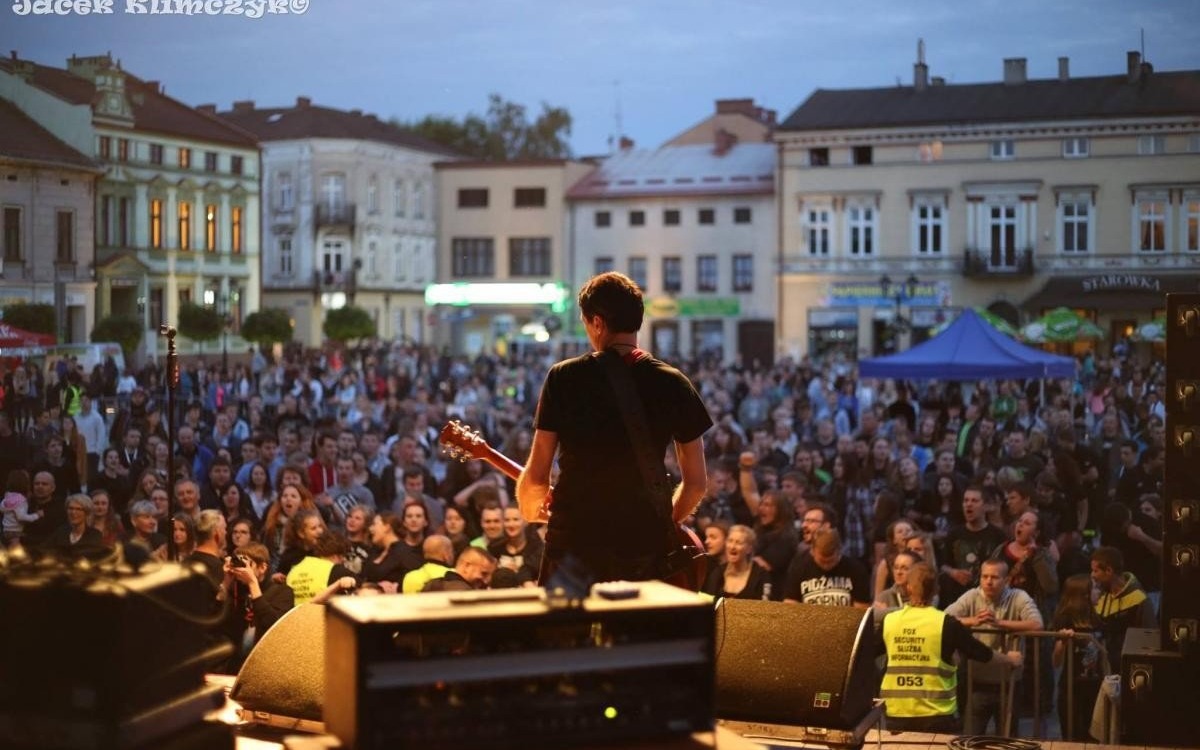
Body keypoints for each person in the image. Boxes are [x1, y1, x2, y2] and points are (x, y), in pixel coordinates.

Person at [516, 271, 711, 587]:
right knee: (637, 637)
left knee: (564, 636)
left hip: (573, 547)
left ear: (596, 322)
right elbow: (696, 484)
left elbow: (537, 477)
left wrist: (532, 508)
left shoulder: (563, 378)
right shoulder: (674, 382)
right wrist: (662, 523)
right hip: (642, 550)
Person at [879, 562, 1023, 733]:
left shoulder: (890, 621)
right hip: (935, 714)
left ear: (908, 588)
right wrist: (1009, 659)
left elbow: (867, 653)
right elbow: (979, 652)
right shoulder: (945, 623)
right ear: (936, 590)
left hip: (896, 712)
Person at [944, 558, 1043, 734]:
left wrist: (999, 623)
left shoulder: (1018, 596)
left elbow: (1037, 624)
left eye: (995, 577)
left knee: (1007, 737)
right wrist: (972, 621)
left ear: (1006, 580)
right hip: (977, 681)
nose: (988, 581)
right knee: (971, 737)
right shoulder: (972, 595)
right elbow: (945, 619)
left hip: (1009, 681)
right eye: (985, 576)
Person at [1051, 573, 1106, 741]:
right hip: (1072, 686)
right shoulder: (1066, 618)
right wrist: (1063, 641)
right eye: (1095, 588)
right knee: (1073, 734)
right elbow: (1056, 661)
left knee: (1094, 736)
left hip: (1096, 685)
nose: (1099, 592)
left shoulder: (1097, 617)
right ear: (1084, 594)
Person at [223, 541, 294, 670]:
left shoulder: (283, 591)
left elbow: (273, 624)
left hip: (266, 665)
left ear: (262, 568)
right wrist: (226, 582)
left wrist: (252, 583)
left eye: (246, 563)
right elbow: (219, 621)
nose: (242, 568)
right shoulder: (237, 590)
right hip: (236, 665)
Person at [1090, 545, 1156, 658]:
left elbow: (1149, 640)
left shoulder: (1139, 599)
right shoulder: (1099, 595)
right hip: (1104, 665)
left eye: (1096, 571)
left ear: (1109, 571)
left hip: (1128, 662)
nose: (1092, 575)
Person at [782, 527, 871, 607]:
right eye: (822, 561)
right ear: (812, 551)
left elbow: (861, 610)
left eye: (831, 561)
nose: (826, 565)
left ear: (840, 551)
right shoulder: (799, 568)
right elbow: (790, 604)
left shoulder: (855, 569)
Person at [701, 524, 769, 600]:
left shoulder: (761, 575)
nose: (732, 546)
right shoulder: (717, 573)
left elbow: (765, 607)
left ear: (749, 549)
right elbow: (708, 603)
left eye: (738, 543)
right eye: (730, 541)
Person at [421, 546, 498, 592]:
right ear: (467, 566)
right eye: (483, 573)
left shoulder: (431, 585)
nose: (486, 581)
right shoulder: (466, 594)